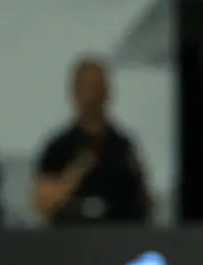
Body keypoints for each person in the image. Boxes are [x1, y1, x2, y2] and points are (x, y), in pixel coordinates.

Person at [33, 58, 152, 225]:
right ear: (74, 93)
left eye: (97, 87)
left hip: (120, 240)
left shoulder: (123, 146)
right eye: (86, 87)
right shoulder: (59, 148)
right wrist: (75, 173)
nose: (93, 96)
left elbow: (143, 201)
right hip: (71, 241)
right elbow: (42, 204)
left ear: (107, 92)